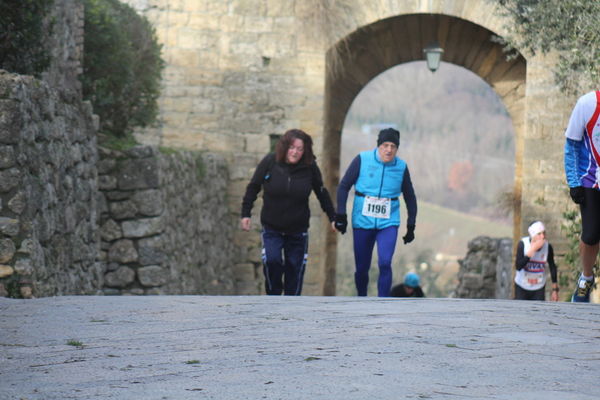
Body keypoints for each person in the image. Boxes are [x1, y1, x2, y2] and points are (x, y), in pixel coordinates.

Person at [241, 129, 336, 295]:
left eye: (300, 149)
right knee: (272, 261)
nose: (295, 152)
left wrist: (333, 217)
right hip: (272, 228)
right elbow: (253, 187)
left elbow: (321, 193)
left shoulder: (309, 167)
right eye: (292, 148)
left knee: (295, 269)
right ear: (285, 147)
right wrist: (246, 213)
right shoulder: (270, 162)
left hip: (297, 231)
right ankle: (273, 297)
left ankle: (292, 307)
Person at [333, 127, 417, 297]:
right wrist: (341, 214)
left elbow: (410, 196)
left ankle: (382, 302)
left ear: (397, 149)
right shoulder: (362, 160)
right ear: (378, 146)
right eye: (385, 145)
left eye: (393, 146)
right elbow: (343, 186)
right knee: (362, 268)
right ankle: (362, 298)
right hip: (363, 220)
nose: (389, 149)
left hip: (388, 222)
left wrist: (411, 224)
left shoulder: (401, 167)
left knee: (385, 263)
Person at [564, 90, 600, 302]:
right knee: (591, 234)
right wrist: (574, 182)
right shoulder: (587, 103)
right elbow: (571, 144)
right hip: (590, 180)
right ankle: (586, 278)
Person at [514, 221, 559, 301]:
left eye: (544, 233)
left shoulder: (548, 247)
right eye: (539, 234)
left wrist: (555, 290)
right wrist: (531, 252)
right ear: (533, 235)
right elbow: (518, 266)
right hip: (522, 286)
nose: (542, 237)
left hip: (539, 287)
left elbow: (552, 267)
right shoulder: (523, 244)